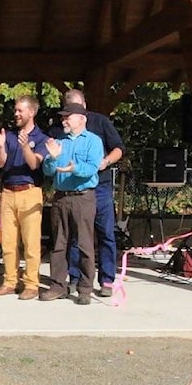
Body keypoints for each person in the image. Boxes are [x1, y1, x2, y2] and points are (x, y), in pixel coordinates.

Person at [53, 89, 125, 298]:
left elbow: (119, 147)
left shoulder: (100, 122)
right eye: (68, 108)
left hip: (98, 187)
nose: (69, 114)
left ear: (84, 105)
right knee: (75, 236)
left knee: (105, 233)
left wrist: (105, 161)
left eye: (77, 106)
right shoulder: (60, 130)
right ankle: (75, 277)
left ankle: (106, 279)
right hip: (70, 189)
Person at [40, 102, 103, 304]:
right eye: (63, 116)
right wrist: (52, 158)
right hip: (61, 198)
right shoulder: (60, 142)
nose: (64, 120)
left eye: (68, 116)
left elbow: (92, 168)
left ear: (82, 119)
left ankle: (84, 289)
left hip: (83, 197)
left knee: (85, 245)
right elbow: (48, 171)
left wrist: (74, 168)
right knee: (58, 244)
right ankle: (58, 286)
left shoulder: (94, 141)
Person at [0, 95, 47, 300]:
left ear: (31, 112)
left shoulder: (42, 138)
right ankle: (9, 281)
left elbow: (34, 164)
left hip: (30, 192)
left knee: (31, 243)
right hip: (7, 192)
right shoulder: (9, 135)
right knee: (8, 242)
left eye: (20, 111)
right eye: (15, 110)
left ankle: (31, 284)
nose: (16, 114)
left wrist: (25, 146)